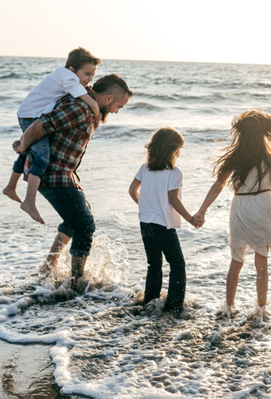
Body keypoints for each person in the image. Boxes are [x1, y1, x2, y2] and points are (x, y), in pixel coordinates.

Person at [11, 74, 133, 290]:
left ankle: (48, 266)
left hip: (63, 173)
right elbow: (39, 126)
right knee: (84, 225)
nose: (116, 111)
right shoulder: (80, 108)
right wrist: (22, 146)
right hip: (53, 174)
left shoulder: (86, 107)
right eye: (118, 106)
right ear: (108, 98)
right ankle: (76, 282)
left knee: (74, 218)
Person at [193, 110, 271, 312]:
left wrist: (202, 210)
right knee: (261, 261)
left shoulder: (236, 158)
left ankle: (228, 306)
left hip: (241, 207)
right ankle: (261, 308)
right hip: (263, 205)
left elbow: (218, 185)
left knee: (236, 260)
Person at [3, 47, 103, 224]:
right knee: (42, 158)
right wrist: (96, 110)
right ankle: (29, 202)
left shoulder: (64, 76)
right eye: (87, 74)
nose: (89, 80)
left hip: (30, 114)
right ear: (72, 69)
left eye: (93, 75)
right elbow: (86, 98)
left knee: (28, 151)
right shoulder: (68, 77)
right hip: (31, 117)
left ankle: (11, 187)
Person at [129, 127, 202, 313]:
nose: (179, 154)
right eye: (178, 150)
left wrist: (145, 207)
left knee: (154, 264)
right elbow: (173, 199)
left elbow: (132, 190)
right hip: (163, 225)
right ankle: (174, 305)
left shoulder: (145, 168)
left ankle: (150, 301)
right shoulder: (174, 172)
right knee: (177, 263)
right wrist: (191, 219)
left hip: (145, 222)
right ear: (172, 150)